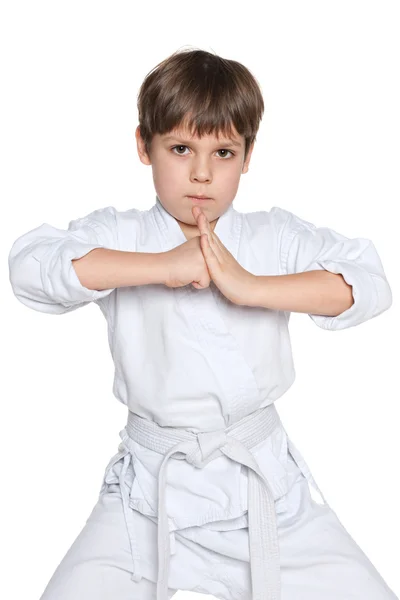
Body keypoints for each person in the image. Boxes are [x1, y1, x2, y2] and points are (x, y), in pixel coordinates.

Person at [8, 48, 398, 600]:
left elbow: (369, 283)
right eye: (181, 147)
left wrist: (251, 287)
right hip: (146, 501)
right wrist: (162, 268)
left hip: (265, 495)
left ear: (248, 156)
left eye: (223, 152)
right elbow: (30, 267)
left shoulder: (273, 237)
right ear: (144, 146)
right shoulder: (122, 235)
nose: (201, 173)